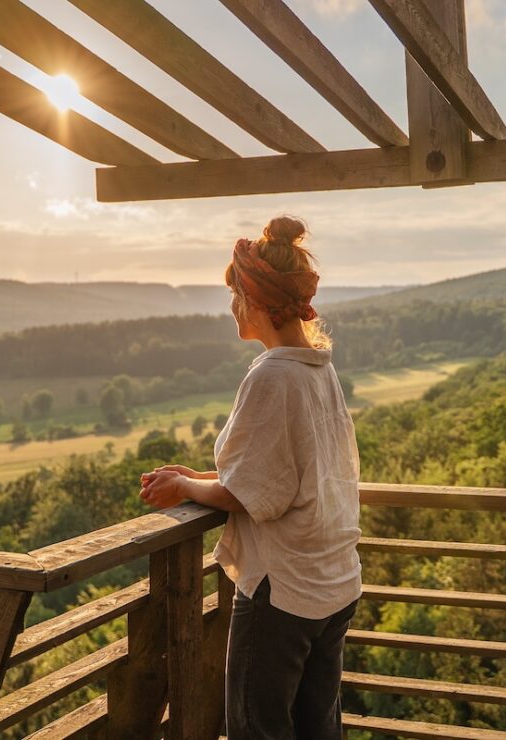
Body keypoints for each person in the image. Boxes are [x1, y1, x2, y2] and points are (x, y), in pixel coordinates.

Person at [138, 216, 362, 739]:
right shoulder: (315, 369)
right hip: (333, 582)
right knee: (317, 729)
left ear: (257, 301)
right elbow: (282, 470)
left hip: (283, 589)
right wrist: (195, 475)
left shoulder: (273, 375)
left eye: (236, 293)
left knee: (255, 728)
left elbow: (251, 492)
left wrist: (186, 489)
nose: (231, 306)